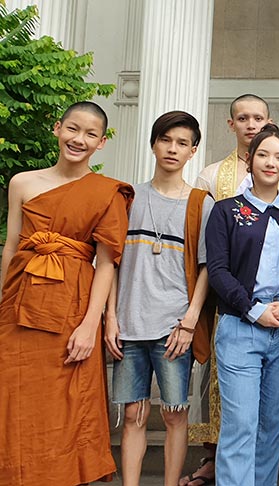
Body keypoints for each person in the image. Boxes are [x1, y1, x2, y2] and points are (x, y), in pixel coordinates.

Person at [0, 101, 133, 485]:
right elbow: (12, 246)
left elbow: (106, 264)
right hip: (19, 304)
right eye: (73, 129)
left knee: (67, 404)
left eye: (90, 134)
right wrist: (4, 303)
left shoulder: (107, 193)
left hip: (72, 308)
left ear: (101, 143)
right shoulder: (22, 183)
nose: (79, 139)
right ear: (57, 128)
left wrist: (91, 325)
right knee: (15, 401)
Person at [185, 93, 279, 485]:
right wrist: (253, 309)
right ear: (249, 161)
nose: (271, 163)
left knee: (272, 426)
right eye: (263, 155)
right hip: (240, 326)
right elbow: (218, 271)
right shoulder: (226, 210)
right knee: (239, 424)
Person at [106, 111, 215, 486]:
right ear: (153, 144)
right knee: (133, 414)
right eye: (166, 140)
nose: (172, 148)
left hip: (174, 327)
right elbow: (112, 263)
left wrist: (190, 320)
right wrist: (110, 317)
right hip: (129, 324)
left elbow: (206, 268)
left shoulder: (201, 203)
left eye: (182, 143)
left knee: (174, 414)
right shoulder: (128, 198)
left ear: (193, 151)